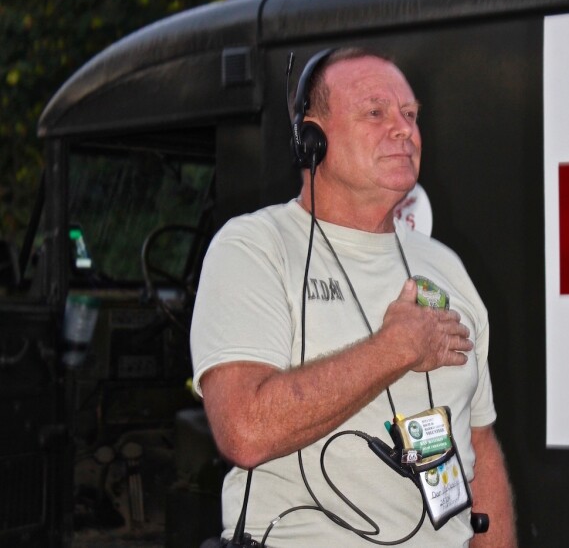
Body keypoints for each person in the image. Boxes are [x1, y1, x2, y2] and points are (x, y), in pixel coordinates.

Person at [190, 47, 516, 547]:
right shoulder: (256, 247)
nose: (404, 129)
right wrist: (396, 348)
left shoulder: (444, 266)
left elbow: (480, 446)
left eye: (410, 115)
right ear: (312, 138)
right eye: (375, 112)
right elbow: (244, 430)